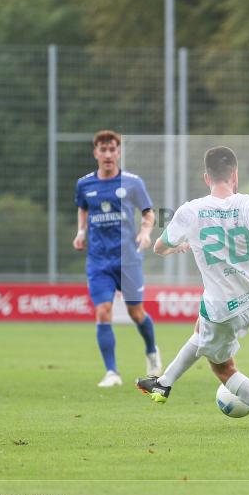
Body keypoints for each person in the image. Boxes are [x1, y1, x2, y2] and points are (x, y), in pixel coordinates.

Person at [136, 146, 249, 433]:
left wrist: (177, 247)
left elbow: (159, 247)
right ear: (235, 174)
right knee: (201, 329)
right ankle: (163, 384)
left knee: (223, 369)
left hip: (222, 307)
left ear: (206, 177)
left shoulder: (190, 210)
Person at [74, 130, 162, 387]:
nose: (108, 154)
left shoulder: (133, 182)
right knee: (103, 311)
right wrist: (81, 232)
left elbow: (148, 213)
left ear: (119, 152)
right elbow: (82, 207)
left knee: (136, 313)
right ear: (96, 153)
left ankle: (152, 352)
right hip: (98, 260)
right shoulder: (84, 185)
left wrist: (145, 233)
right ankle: (112, 372)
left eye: (113, 149)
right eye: (103, 149)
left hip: (128, 259)